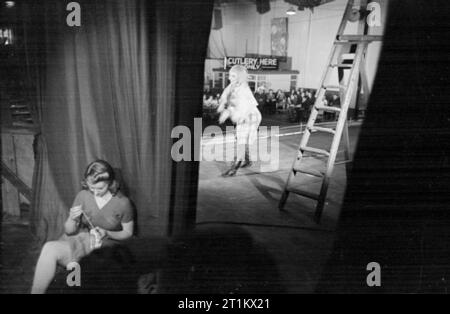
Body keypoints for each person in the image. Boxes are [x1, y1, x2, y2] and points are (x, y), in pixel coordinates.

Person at [31, 160, 135, 294]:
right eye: (92, 188)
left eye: (100, 188)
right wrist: (72, 218)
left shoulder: (123, 203)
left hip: (107, 249)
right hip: (83, 242)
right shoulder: (83, 196)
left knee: (86, 274)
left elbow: (128, 233)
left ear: (110, 183)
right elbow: (69, 231)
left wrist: (107, 233)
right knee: (49, 248)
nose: (95, 193)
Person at [217, 65, 262, 177]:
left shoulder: (243, 90)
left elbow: (239, 115)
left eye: (233, 76)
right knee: (240, 138)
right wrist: (222, 103)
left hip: (250, 116)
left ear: (240, 77)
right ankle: (247, 160)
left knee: (241, 140)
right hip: (245, 114)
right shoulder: (235, 84)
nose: (230, 78)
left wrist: (227, 113)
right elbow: (226, 91)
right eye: (230, 75)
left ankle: (234, 169)